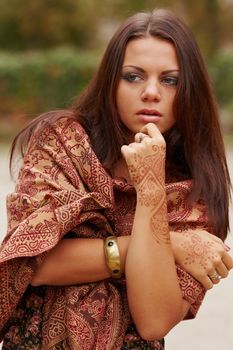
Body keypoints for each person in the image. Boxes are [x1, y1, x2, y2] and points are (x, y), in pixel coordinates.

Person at [0, 8, 233, 350]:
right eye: (133, 76)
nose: (151, 92)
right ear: (111, 81)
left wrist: (152, 187)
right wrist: (171, 244)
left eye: (170, 80)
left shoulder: (197, 190)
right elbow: (33, 261)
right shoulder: (63, 143)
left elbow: (153, 320)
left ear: (190, 91)